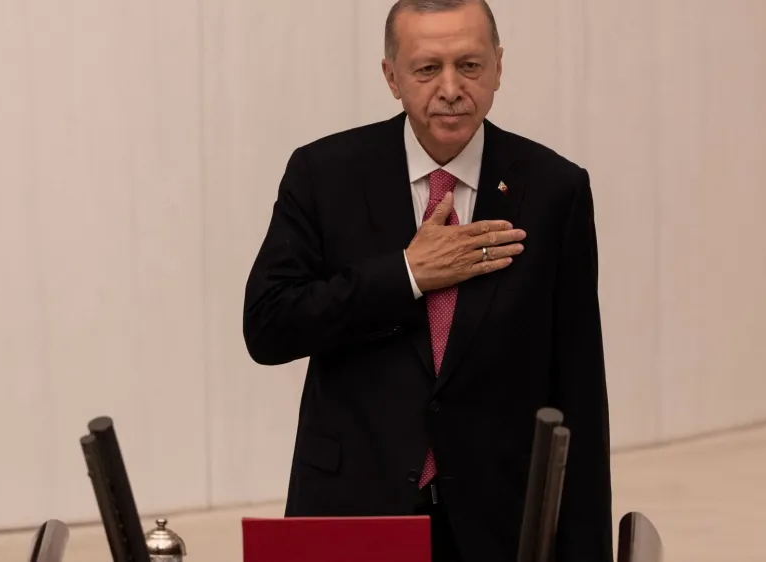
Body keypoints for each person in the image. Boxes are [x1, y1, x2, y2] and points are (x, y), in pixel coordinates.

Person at [242, 1, 612, 560]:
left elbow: (579, 388)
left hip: (500, 519)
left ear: (498, 67)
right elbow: (268, 326)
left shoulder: (554, 189)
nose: (451, 88)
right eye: (425, 69)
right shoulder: (324, 174)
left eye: (469, 65)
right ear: (391, 76)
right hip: (355, 507)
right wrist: (408, 273)